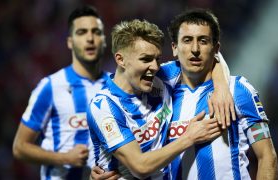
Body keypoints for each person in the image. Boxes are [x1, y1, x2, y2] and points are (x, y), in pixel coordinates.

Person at [86, 19, 231, 179]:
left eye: (157, 59)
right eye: (146, 59)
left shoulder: (161, 77)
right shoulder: (104, 106)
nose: (155, 66)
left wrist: (221, 88)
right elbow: (140, 167)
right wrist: (189, 137)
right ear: (121, 60)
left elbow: (210, 58)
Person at [161, 8, 278, 179]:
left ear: (216, 48)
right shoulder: (160, 91)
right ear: (174, 48)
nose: (195, 49)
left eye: (203, 41)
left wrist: (222, 85)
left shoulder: (238, 90)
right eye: (187, 40)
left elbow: (267, 157)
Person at [12, 5, 118, 180]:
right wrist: (64, 158)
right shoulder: (50, 86)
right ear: (70, 41)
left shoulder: (116, 87)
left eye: (96, 32)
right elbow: (20, 147)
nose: (90, 38)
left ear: (104, 40)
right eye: (82, 32)